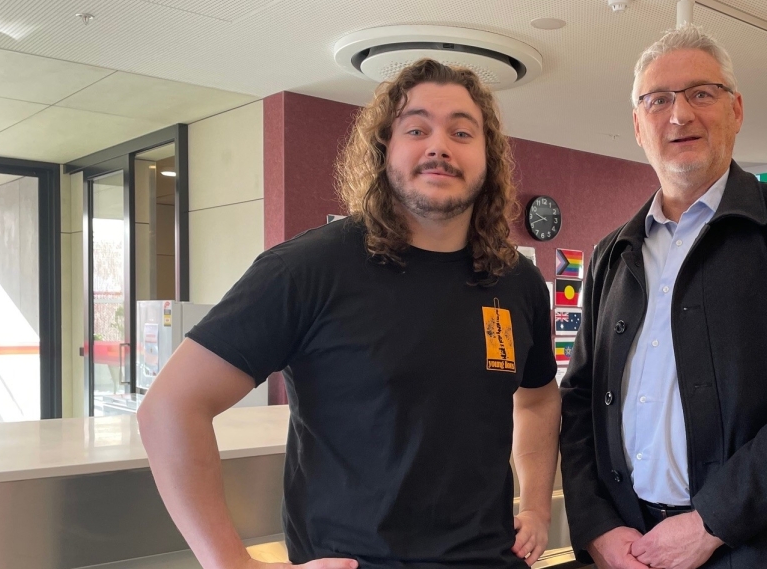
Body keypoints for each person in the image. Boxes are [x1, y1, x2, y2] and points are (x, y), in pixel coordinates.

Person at [138, 58, 561, 569]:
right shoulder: (308, 268)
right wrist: (232, 565)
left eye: (462, 132)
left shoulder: (516, 279)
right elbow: (170, 407)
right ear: (385, 150)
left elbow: (536, 400)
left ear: (487, 158)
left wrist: (537, 507)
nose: (439, 146)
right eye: (416, 128)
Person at [559, 25, 767, 569]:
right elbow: (580, 399)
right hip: (637, 550)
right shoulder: (612, 253)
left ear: (736, 110)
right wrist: (596, 527)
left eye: (701, 94)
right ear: (638, 125)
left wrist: (711, 522)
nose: (679, 115)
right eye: (658, 100)